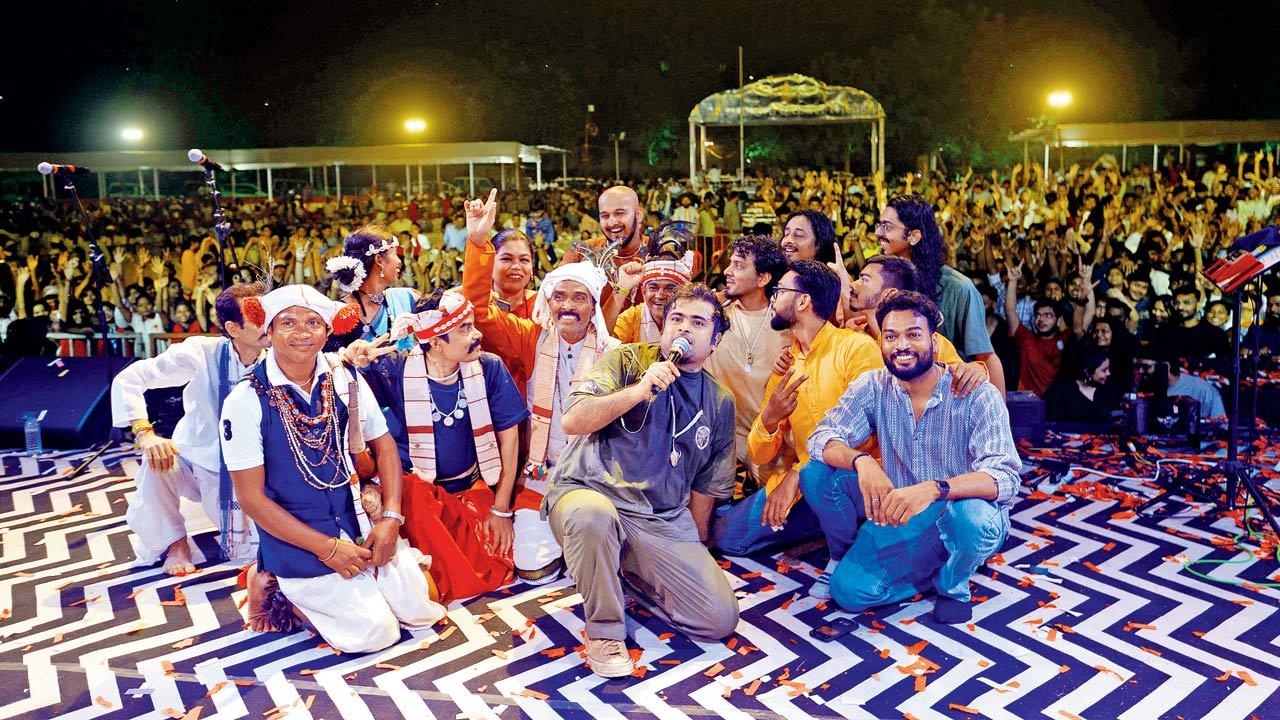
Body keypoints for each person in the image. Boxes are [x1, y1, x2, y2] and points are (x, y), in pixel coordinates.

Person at [221, 284, 445, 653]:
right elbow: (251, 500)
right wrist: (326, 549)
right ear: (269, 332)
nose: (301, 332)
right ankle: (281, 589)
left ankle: (363, 589)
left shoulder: (344, 378)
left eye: (313, 322)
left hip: (358, 519)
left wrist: (390, 519)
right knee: (375, 634)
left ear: (328, 331)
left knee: (422, 612)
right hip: (300, 539)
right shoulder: (245, 401)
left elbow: (384, 444)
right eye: (288, 322)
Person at [544, 283, 740, 678]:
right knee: (592, 518)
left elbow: (705, 488)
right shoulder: (628, 361)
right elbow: (572, 420)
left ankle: (623, 572)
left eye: (698, 323)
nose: (683, 329)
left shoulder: (719, 402)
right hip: (589, 492)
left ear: (716, 340)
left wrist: (690, 556)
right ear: (663, 326)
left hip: (659, 518)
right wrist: (637, 391)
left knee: (719, 619)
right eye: (676, 319)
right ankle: (604, 631)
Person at [801, 291, 1020, 624]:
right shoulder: (874, 385)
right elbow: (822, 437)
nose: (901, 345)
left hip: (958, 507)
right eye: (891, 336)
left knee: (972, 519)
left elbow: (1004, 477)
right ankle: (916, 561)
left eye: (913, 335)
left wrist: (935, 489)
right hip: (902, 509)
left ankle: (953, 583)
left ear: (934, 340)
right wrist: (862, 461)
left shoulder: (974, 392)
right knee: (849, 591)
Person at [347, 289, 563, 591]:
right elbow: (348, 394)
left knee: (500, 565)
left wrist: (500, 509)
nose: (477, 334)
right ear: (435, 341)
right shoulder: (393, 368)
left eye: (472, 324)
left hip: (474, 488)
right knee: (423, 539)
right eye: (464, 329)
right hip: (417, 497)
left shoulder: (488, 366)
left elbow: (510, 442)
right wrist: (352, 361)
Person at [460, 189, 622, 486]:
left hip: (586, 463)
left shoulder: (610, 350)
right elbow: (479, 311)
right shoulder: (534, 333)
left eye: (524, 260)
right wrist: (478, 241)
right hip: (506, 434)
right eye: (559, 296)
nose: (568, 306)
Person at [111, 283, 268, 574]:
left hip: (254, 469)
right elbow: (130, 378)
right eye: (258, 318)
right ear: (233, 328)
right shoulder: (201, 353)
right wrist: (145, 433)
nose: (269, 324)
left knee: (255, 550)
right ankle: (176, 544)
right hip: (196, 458)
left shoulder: (279, 356)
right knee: (156, 462)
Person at [878, 194, 1007, 393]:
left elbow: (987, 358)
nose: (878, 233)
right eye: (879, 225)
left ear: (913, 236)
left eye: (887, 226)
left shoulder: (958, 288)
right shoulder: (882, 283)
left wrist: (1000, 419)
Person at [701, 235, 791, 484]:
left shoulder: (787, 325)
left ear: (763, 278)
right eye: (730, 263)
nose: (728, 271)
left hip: (773, 442)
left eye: (739, 266)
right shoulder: (712, 318)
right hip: (719, 441)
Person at [1004, 260, 1093, 395]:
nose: (1042, 319)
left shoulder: (1065, 338)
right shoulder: (1026, 338)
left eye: (1048, 315)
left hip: (1058, 404)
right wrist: (1012, 282)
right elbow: (1010, 311)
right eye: (1038, 315)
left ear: (1058, 321)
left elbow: (1086, 317)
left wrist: (1085, 284)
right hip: (1028, 403)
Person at [324, 225, 419, 347]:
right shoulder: (341, 313)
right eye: (394, 254)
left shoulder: (407, 297)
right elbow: (331, 361)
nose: (398, 261)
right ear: (379, 260)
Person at [610, 251, 693, 343]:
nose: (660, 295)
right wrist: (622, 287)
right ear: (643, 292)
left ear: (683, 293)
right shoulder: (632, 318)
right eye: (653, 288)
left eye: (670, 288)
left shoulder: (695, 318)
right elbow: (603, 344)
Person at [1043, 348, 1123, 424]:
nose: (1109, 373)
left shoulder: (1109, 391)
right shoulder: (1061, 391)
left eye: (1109, 369)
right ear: (1087, 371)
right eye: (1104, 370)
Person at [490, 229, 537, 319]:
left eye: (524, 260)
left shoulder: (542, 304)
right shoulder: (473, 303)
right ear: (490, 263)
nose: (516, 266)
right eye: (506, 259)